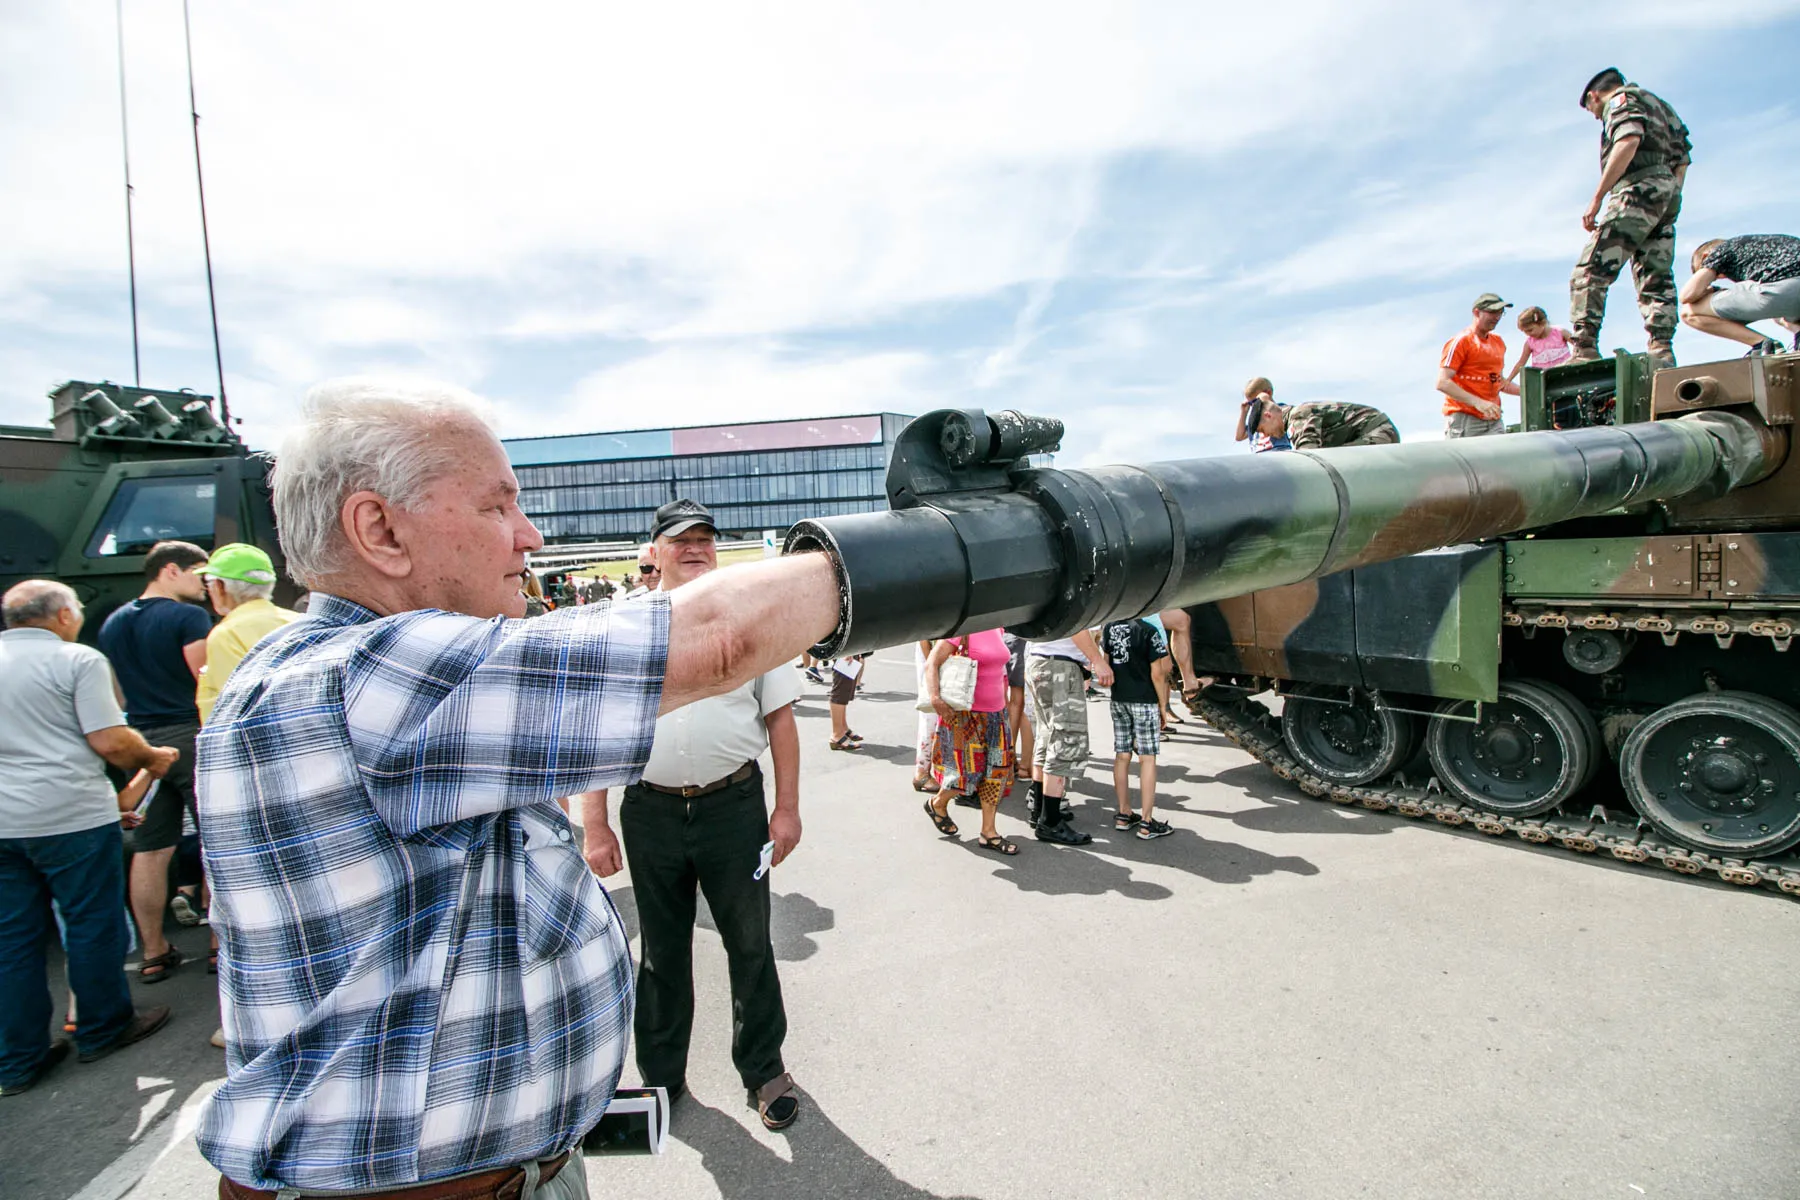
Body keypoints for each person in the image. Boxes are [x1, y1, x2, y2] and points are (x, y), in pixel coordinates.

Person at [194, 379, 839, 1196]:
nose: (529, 534)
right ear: (380, 530)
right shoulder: (367, 680)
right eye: (497, 506)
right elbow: (720, 639)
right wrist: (961, 548)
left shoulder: (349, 674)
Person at [576, 496, 806, 1133]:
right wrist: (595, 823)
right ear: (655, 551)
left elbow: (781, 722)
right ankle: (661, 1078)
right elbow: (601, 730)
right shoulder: (624, 627)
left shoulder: (751, 619)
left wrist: (787, 810)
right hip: (650, 812)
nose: (696, 548)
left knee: (750, 943)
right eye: (682, 539)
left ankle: (764, 1070)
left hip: (734, 807)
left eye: (705, 538)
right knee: (661, 952)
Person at [0, 581, 177, 1096]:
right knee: (90, 922)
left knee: (12, 939)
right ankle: (103, 1027)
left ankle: (18, 1060)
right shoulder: (77, 660)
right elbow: (111, 741)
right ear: (62, 615)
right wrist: (153, 758)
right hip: (69, 814)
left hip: (4, 823)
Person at [97, 539, 212, 985]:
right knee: (215, 841)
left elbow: (117, 695)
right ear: (170, 570)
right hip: (189, 734)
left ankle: (153, 951)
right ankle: (219, 946)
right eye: (199, 574)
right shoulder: (189, 617)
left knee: (150, 849)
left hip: (141, 741)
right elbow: (202, 680)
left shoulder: (114, 622)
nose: (206, 584)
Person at [1569, 68, 1691, 368]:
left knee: (1590, 269)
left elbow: (1627, 140)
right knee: (1655, 275)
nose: (1595, 116)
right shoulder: (1662, 107)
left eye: (1591, 109)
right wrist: (1670, 194)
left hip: (1636, 190)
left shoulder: (1620, 101)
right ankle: (1661, 347)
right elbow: (1683, 160)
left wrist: (1598, 197)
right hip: (1666, 195)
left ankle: (1584, 347)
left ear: (1594, 96)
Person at [920, 629, 1017, 853]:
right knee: (964, 776)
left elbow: (1000, 670)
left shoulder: (998, 627)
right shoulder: (963, 629)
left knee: (996, 774)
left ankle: (988, 832)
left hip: (997, 715)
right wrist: (935, 698)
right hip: (965, 715)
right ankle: (937, 803)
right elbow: (932, 662)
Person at [196, 544, 302, 724]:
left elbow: (237, 706)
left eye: (209, 584)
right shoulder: (299, 621)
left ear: (220, 586)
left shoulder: (227, 633)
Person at [1023, 631, 1112, 845]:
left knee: (1047, 735)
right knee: (1064, 740)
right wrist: (1098, 660)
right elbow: (1075, 628)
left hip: (1040, 661)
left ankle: (1041, 811)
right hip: (1060, 667)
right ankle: (1050, 822)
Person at [1101, 617, 1173, 840]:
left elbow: (1106, 661)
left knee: (1122, 755)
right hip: (1144, 700)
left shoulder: (1110, 628)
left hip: (1119, 698)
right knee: (1147, 758)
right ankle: (1146, 821)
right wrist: (1163, 705)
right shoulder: (1149, 631)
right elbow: (1158, 673)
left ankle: (1124, 813)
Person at [1680, 234, 1800, 356]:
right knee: (1779, 314)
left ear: (1706, 257)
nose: (1719, 278)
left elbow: (1686, 296)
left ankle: (1763, 344)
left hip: (1780, 289)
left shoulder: (1721, 250)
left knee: (1689, 312)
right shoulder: (1758, 248)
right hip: (1790, 292)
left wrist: (1708, 290)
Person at [1438, 294, 1521, 439]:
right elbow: (1443, 382)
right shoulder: (1462, 341)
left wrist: (1528, 391)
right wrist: (1478, 403)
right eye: (1493, 312)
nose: (1497, 317)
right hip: (1465, 420)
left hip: (1493, 420)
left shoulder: (1498, 343)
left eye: (1500, 313)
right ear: (1477, 312)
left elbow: (1497, 381)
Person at [1244, 397, 1400, 450]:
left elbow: (1309, 457)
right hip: (1373, 432)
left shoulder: (1297, 417)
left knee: (1342, 464)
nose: (1266, 435)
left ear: (1268, 416)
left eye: (1262, 430)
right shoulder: (1294, 417)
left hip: (1377, 432)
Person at [1506, 307, 1576, 382]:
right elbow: (1521, 363)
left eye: (1530, 330)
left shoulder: (1560, 332)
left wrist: (1574, 360)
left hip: (1564, 373)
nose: (1528, 334)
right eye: (1525, 332)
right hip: (1544, 379)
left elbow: (1579, 346)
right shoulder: (1530, 342)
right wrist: (1509, 379)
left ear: (1543, 323)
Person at [1235, 377, 1291, 453]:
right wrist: (1244, 412)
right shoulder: (1255, 419)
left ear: (1268, 393)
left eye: (1255, 401)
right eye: (1250, 403)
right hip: (1260, 456)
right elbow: (1239, 436)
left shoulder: (1280, 410)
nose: (1253, 406)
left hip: (1279, 452)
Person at [828, 653, 865, 751]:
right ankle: (837, 735)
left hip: (848, 649)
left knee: (845, 689)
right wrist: (847, 651)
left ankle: (843, 728)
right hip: (843, 650)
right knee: (841, 689)